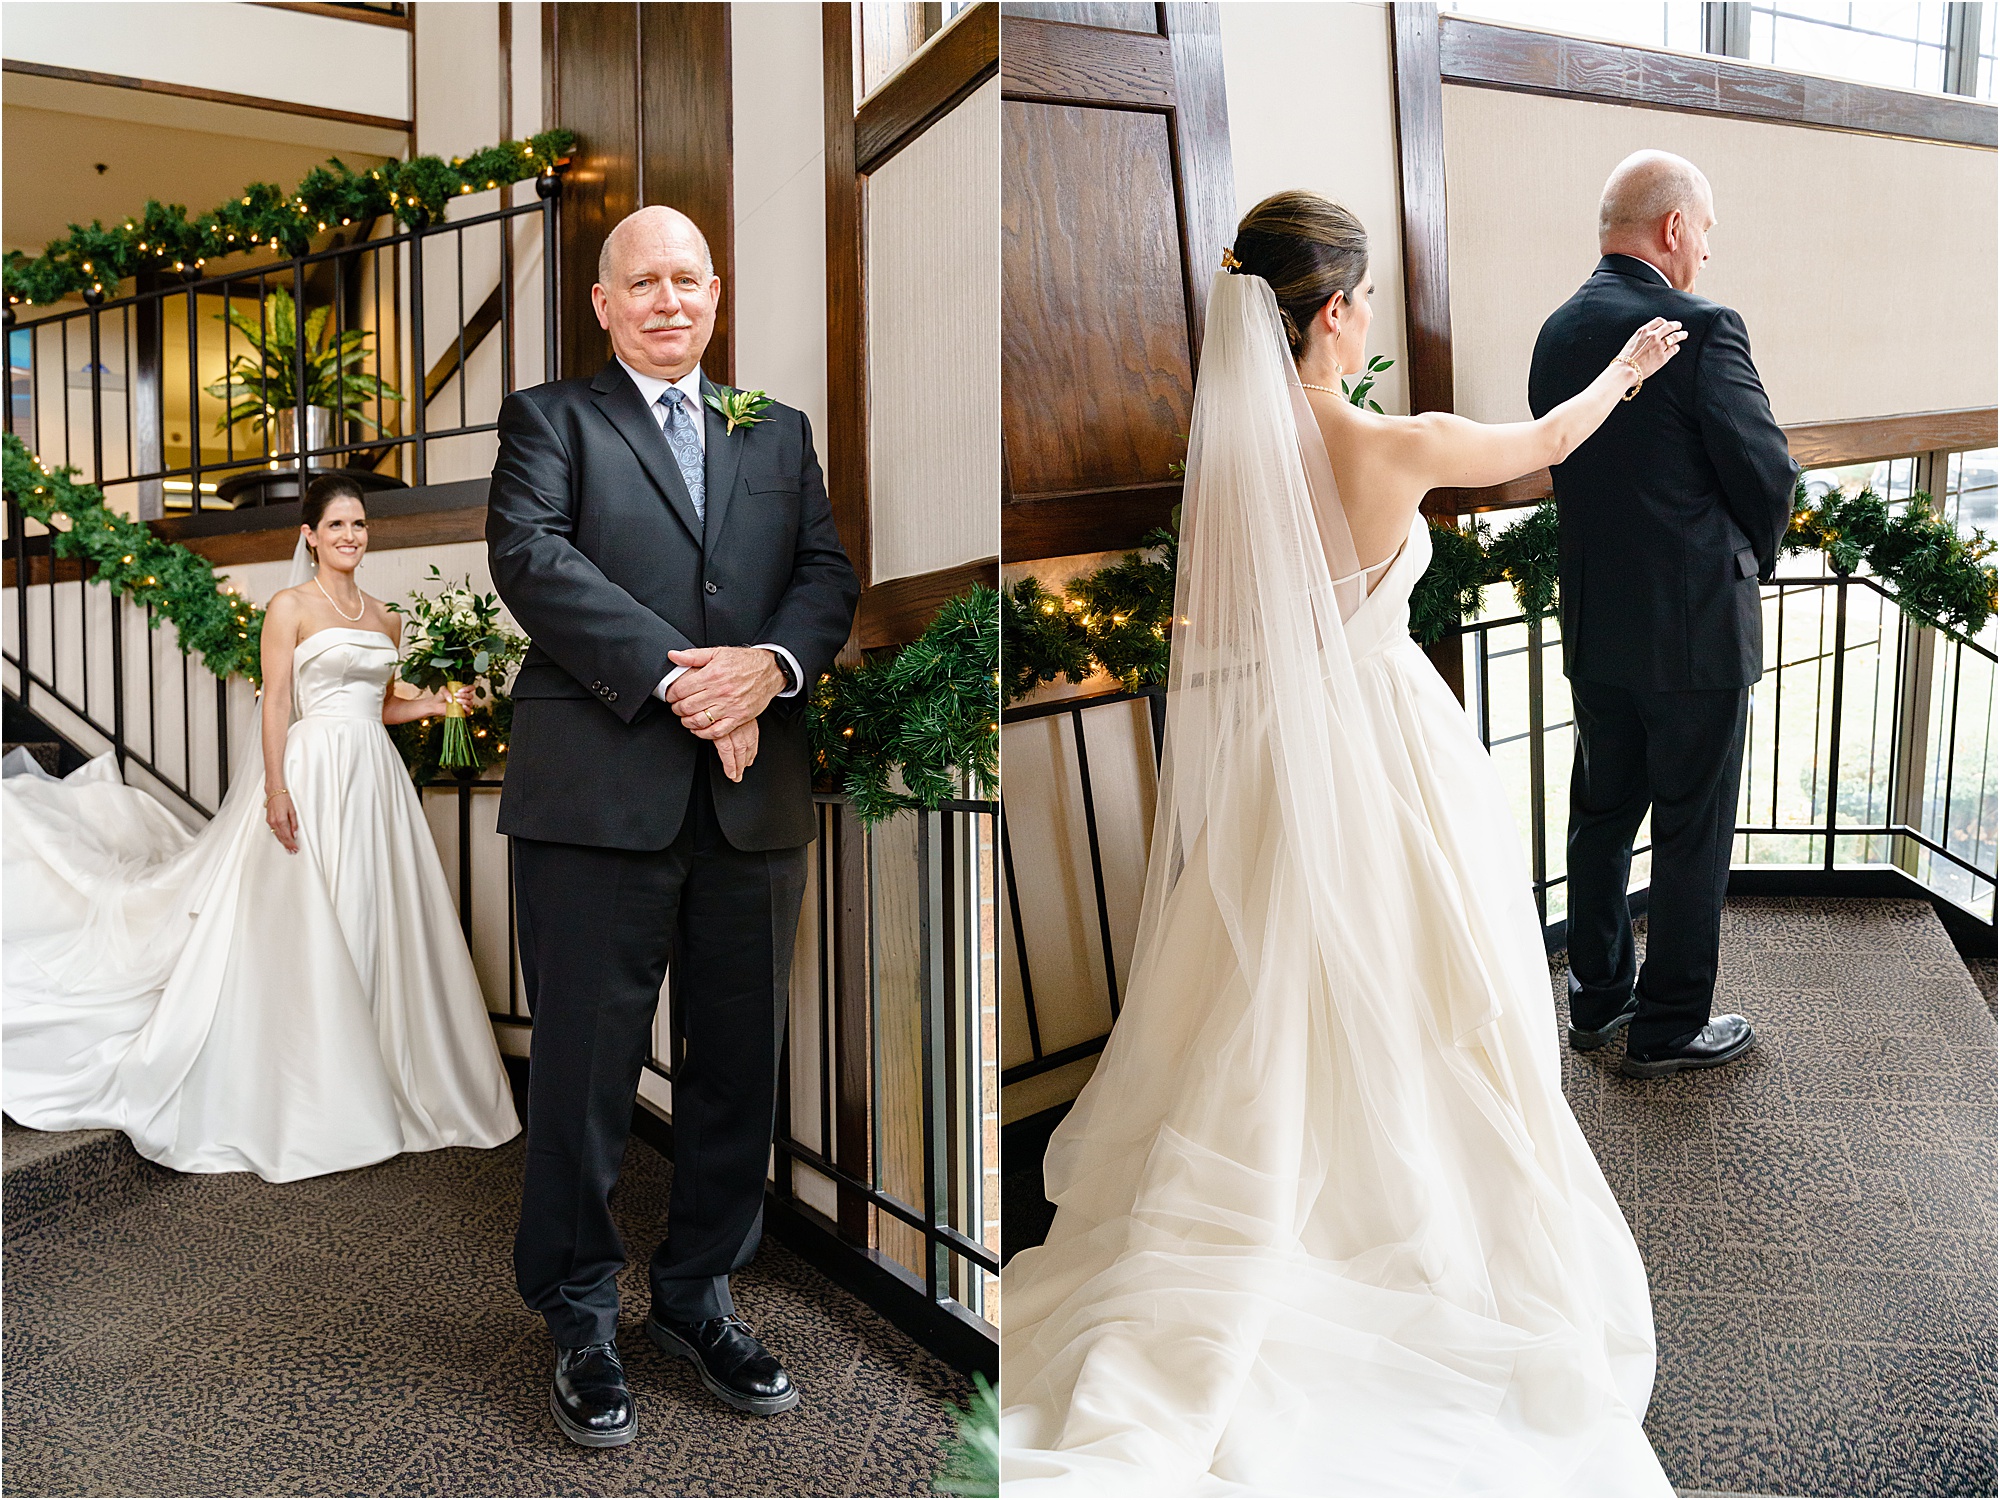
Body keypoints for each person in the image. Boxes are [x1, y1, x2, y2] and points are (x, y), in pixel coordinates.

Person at [998, 191, 1685, 1495]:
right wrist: (1633, 366)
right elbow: (1543, 443)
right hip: (1386, 748)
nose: (1369, 311)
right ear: (1337, 311)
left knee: (1264, 995)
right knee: (1435, 984)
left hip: (1278, 755)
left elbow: (1220, 627)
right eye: (1362, 292)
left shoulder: (1239, 461)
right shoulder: (1388, 442)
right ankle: (1417, 1219)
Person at [486, 205, 859, 1447]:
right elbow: (529, 557)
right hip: (597, 797)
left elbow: (824, 576)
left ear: (716, 291)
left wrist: (765, 668)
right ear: (602, 303)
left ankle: (697, 1295)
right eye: (640, 282)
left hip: (751, 805)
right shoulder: (552, 420)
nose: (666, 299)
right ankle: (581, 1313)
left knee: (735, 1071)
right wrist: (686, 680)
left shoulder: (777, 428)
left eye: (686, 280)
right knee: (586, 1080)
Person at [1, 475, 520, 1183]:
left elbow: (385, 705)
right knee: (312, 913)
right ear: (310, 535)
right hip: (311, 772)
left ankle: (383, 1065)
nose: (350, 536)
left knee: (372, 910)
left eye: (359, 525)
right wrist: (275, 788)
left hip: (372, 779)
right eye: (336, 525)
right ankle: (316, 1080)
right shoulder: (289, 606)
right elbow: (276, 701)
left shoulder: (385, 616)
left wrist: (442, 703)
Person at [1530, 150, 1797, 1079]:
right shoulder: (1701, 327)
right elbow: (1766, 472)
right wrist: (1750, 558)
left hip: (1599, 627)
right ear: (1674, 228)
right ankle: (1671, 1025)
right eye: (1707, 231)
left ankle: (1599, 1001)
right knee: (1692, 830)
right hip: (1695, 635)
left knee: (1601, 816)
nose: (1709, 253)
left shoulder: (1557, 332)